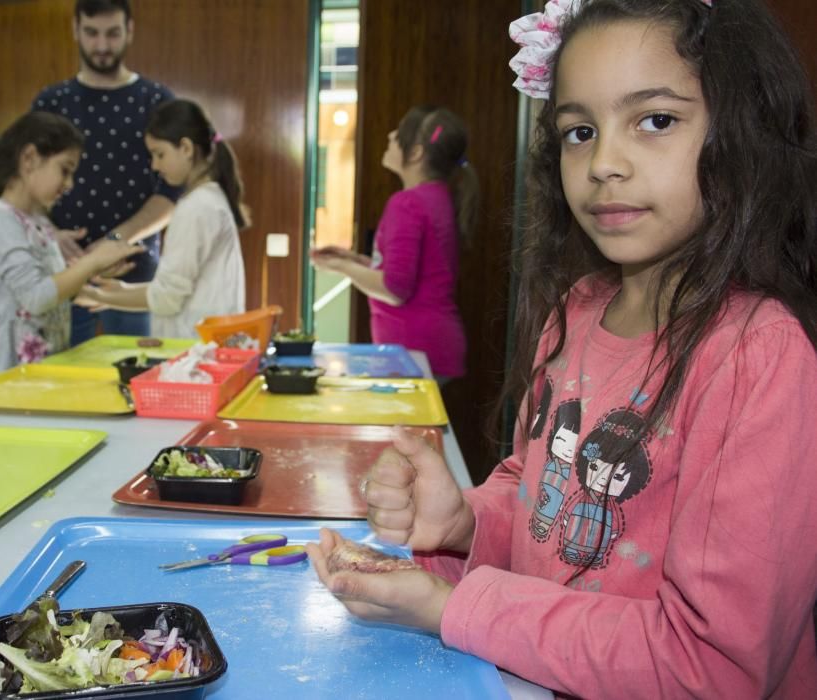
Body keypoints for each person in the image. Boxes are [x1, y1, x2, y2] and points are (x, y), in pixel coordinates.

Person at [306, 1, 817, 697]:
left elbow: (716, 666)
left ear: (739, 132)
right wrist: (463, 523)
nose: (605, 162)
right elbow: (534, 485)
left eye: (656, 120)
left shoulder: (761, 359)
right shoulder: (574, 312)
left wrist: (457, 607)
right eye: (580, 131)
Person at [32, 0, 180, 343]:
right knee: (63, 389)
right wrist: (48, 234)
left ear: (130, 31)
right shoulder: (51, 102)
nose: (101, 45)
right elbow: (22, 184)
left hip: (134, 277)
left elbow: (172, 192)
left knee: (134, 382)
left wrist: (114, 242)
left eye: (112, 33)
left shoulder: (156, 100)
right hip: (60, 274)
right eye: (92, 33)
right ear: (75, 30)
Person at [310, 106, 479, 381]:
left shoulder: (407, 203)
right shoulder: (436, 197)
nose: (390, 136)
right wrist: (354, 260)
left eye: (398, 133)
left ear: (415, 153)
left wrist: (342, 267)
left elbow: (394, 288)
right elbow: (408, 271)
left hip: (413, 350)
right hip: (429, 346)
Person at [0, 112, 144, 380]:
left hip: (42, 377)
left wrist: (94, 273)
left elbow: (54, 292)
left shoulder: (40, 222)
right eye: (65, 170)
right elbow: (36, 298)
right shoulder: (0, 219)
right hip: (8, 380)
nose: (69, 184)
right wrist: (93, 260)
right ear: (29, 158)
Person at [74, 99, 248, 338]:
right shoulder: (207, 199)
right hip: (202, 347)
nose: (155, 166)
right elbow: (179, 289)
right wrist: (123, 291)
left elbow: (168, 298)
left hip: (194, 350)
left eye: (159, 154)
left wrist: (102, 296)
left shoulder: (196, 207)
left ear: (186, 148)